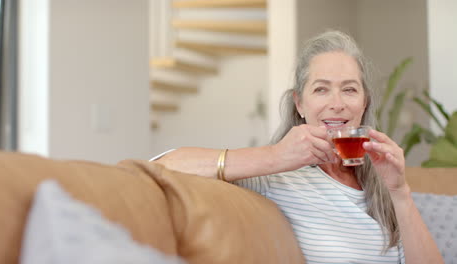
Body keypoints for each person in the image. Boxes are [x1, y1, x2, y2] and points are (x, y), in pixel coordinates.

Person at [152, 31, 443, 263]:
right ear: (300, 104)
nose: (337, 103)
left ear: (364, 102)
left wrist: (400, 193)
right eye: (321, 89)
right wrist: (274, 156)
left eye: (350, 89)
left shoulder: (381, 188)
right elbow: (162, 167)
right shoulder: (278, 177)